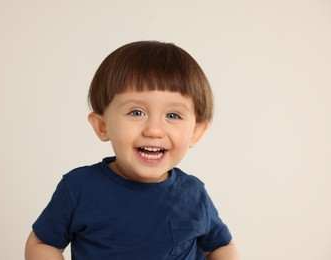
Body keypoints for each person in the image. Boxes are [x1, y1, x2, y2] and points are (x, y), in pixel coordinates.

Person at [25, 41, 240, 260]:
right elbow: (42, 243)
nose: (154, 130)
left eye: (173, 115)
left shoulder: (193, 194)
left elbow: (220, 247)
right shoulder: (79, 188)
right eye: (136, 112)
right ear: (102, 126)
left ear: (195, 132)